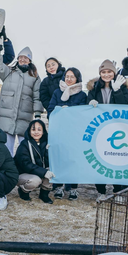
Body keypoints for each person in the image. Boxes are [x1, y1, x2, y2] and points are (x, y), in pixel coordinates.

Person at [86, 59, 128, 195]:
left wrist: (117, 90)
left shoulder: (122, 86)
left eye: (109, 72)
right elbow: (88, 104)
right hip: (100, 129)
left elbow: (124, 105)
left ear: (114, 73)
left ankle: (118, 191)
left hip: (117, 128)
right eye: (103, 72)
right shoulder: (94, 87)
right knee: (100, 159)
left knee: (117, 159)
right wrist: (90, 102)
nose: (106, 74)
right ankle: (101, 191)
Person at [0, 46, 43, 156]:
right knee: (6, 148)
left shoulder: (34, 77)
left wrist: (38, 115)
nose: (23, 59)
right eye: (21, 57)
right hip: (7, 117)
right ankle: (8, 170)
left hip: (24, 117)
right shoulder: (9, 72)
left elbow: (37, 96)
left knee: (25, 148)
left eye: (26, 58)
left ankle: (24, 169)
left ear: (30, 60)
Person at [47, 67, 86, 200]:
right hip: (59, 131)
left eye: (72, 77)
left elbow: (83, 114)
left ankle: (74, 189)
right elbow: (50, 110)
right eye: (67, 76)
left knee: (73, 159)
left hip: (74, 133)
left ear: (77, 79)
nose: (69, 79)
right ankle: (58, 187)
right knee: (59, 157)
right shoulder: (57, 92)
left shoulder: (82, 95)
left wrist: (70, 112)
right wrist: (59, 111)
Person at [14, 119, 54, 204]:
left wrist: (48, 151)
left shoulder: (47, 143)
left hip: (38, 171)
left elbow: (49, 162)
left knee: (52, 172)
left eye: (39, 130)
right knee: (36, 180)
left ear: (43, 132)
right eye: (33, 129)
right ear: (29, 131)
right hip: (22, 174)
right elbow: (26, 164)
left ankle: (44, 194)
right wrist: (44, 172)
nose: (36, 132)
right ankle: (23, 191)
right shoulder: (24, 145)